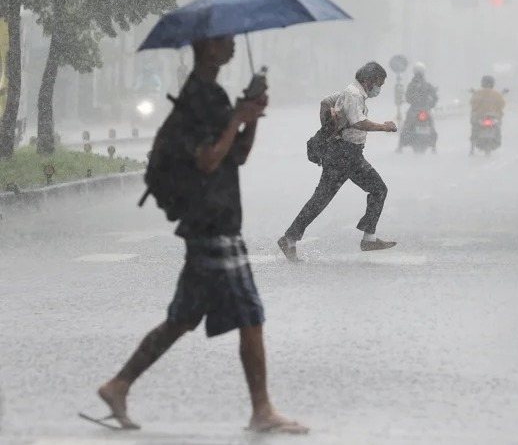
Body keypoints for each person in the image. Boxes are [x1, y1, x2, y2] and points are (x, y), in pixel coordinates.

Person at [96, 35, 307, 435]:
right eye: (224, 40)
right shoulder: (198, 98)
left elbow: (237, 154)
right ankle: (261, 410)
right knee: (250, 314)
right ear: (207, 47)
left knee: (183, 318)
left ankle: (117, 385)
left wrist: (251, 116)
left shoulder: (214, 94)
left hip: (217, 219)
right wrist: (236, 118)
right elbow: (208, 160)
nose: (230, 45)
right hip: (210, 223)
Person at [278, 62, 398, 262]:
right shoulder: (354, 94)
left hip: (342, 153)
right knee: (379, 189)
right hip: (346, 154)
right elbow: (358, 122)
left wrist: (329, 125)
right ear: (369, 80)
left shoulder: (351, 92)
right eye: (379, 83)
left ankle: (289, 238)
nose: (379, 88)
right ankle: (368, 239)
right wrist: (384, 127)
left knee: (321, 198)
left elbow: (325, 102)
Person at [398, 62, 439, 152]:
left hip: (414, 109)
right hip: (425, 109)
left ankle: (400, 147)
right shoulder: (427, 85)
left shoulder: (412, 85)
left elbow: (408, 98)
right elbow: (435, 97)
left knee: (406, 126)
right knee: (431, 125)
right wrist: (430, 105)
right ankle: (434, 147)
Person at [469, 75, 505, 155]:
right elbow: (502, 104)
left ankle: (472, 147)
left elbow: (473, 104)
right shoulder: (497, 94)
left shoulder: (478, 93)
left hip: (479, 116)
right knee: (498, 126)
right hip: (494, 116)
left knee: (474, 128)